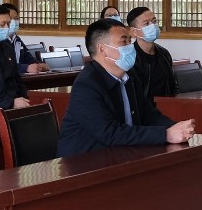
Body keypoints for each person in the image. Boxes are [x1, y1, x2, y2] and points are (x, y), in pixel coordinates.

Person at [57, 19, 194, 155]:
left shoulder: (129, 75)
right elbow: (109, 133)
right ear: (102, 49)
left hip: (119, 153)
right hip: (84, 160)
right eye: (124, 42)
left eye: (130, 41)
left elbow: (149, 115)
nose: (130, 47)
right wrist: (165, 135)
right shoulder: (86, 85)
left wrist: (175, 127)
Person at [125, 6, 177, 98]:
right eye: (146, 24)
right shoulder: (129, 58)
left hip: (166, 105)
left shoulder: (164, 53)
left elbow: (173, 86)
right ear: (134, 32)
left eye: (154, 21)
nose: (152, 26)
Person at [3, 4, 49, 75]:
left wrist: (38, 65)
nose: (14, 21)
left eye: (16, 18)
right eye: (11, 19)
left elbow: (28, 58)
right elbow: (4, 66)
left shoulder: (17, 39)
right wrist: (26, 68)